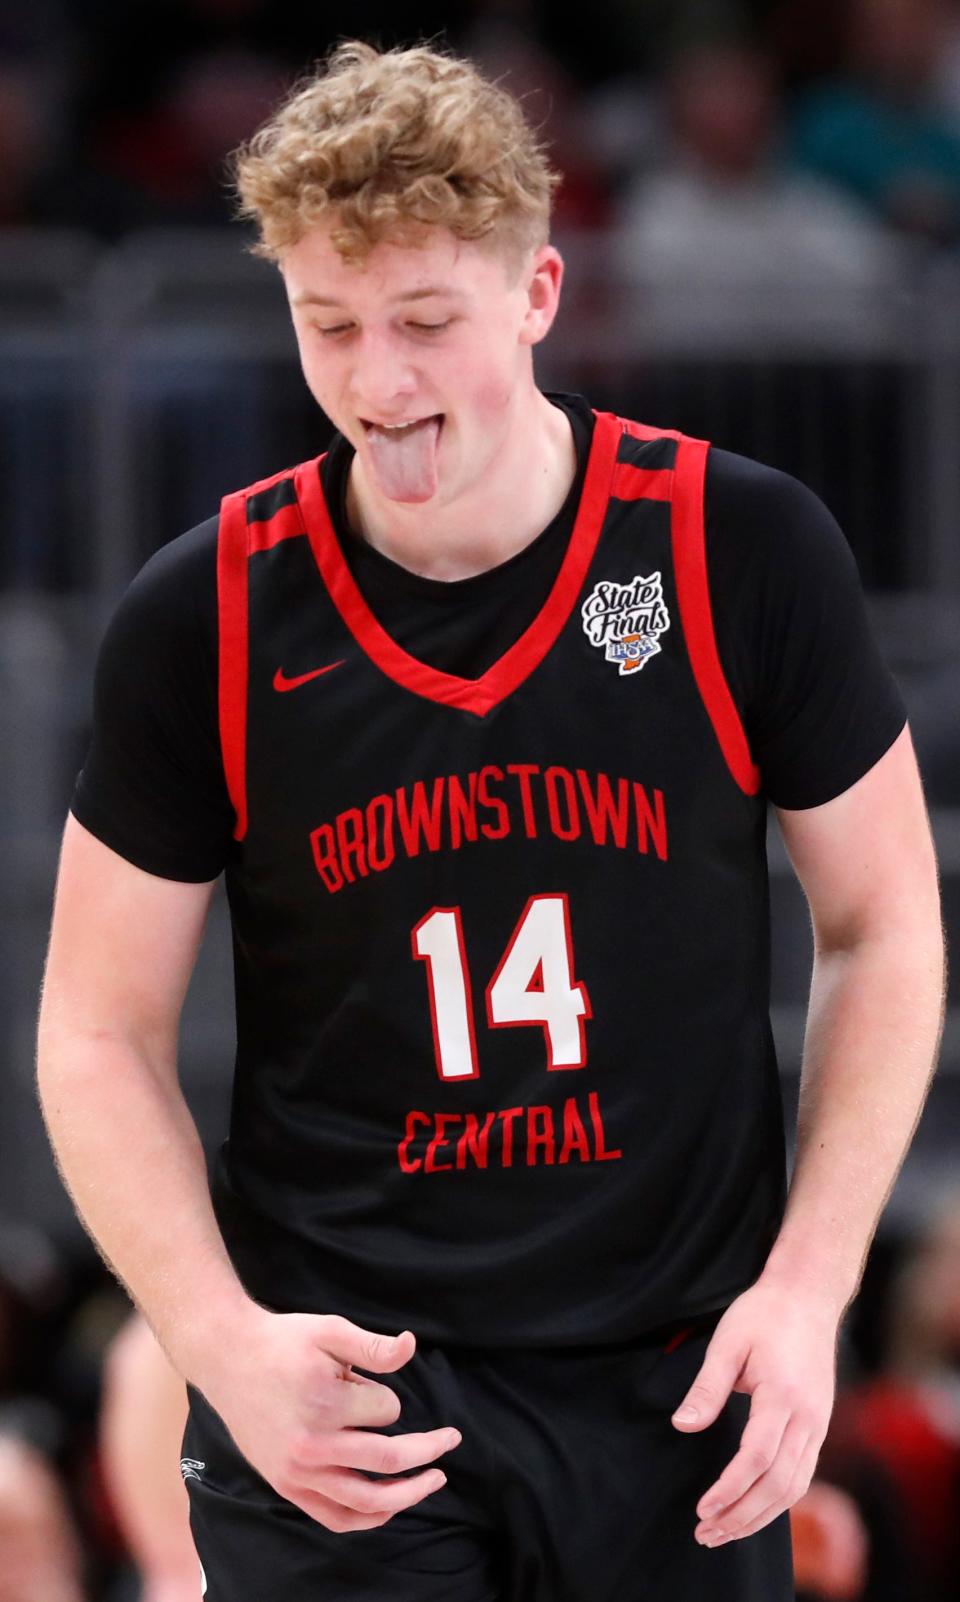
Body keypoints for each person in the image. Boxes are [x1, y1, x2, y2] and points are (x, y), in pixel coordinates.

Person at [35, 35, 945, 1602]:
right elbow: (94, 1029)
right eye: (329, 325)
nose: (377, 382)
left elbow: (884, 924)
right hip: (356, 1398)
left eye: (424, 322)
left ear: (537, 297)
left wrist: (810, 1291)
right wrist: (216, 1341)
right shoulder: (212, 613)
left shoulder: (739, 549)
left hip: (676, 1383)